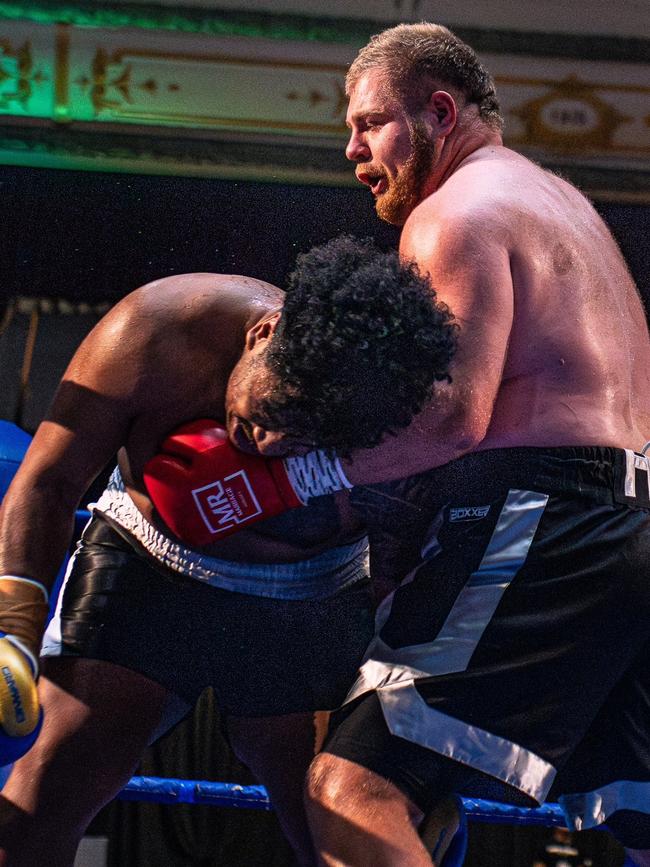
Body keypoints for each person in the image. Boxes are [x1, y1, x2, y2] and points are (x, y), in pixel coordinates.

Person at [280, 23, 650, 867]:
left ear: (439, 111)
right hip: (632, 520)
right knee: (633, 821)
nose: (352, 148)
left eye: (371, 123)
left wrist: (297, 474)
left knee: (351, 790)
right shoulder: (562, 204)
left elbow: (454, 417)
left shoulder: (453, 215)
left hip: (547, 521)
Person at [0, 234, 457, 867]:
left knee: (344, 823)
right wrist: (14, 627)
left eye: (304, 441)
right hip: (149, 561)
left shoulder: (391, 420)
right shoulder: (155, 330)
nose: (268, 442)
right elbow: (49, 481)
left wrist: (402, 736)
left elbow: (404, 569)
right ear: (263, 333)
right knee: (40, 801)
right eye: (274, 409)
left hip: (313, 597)